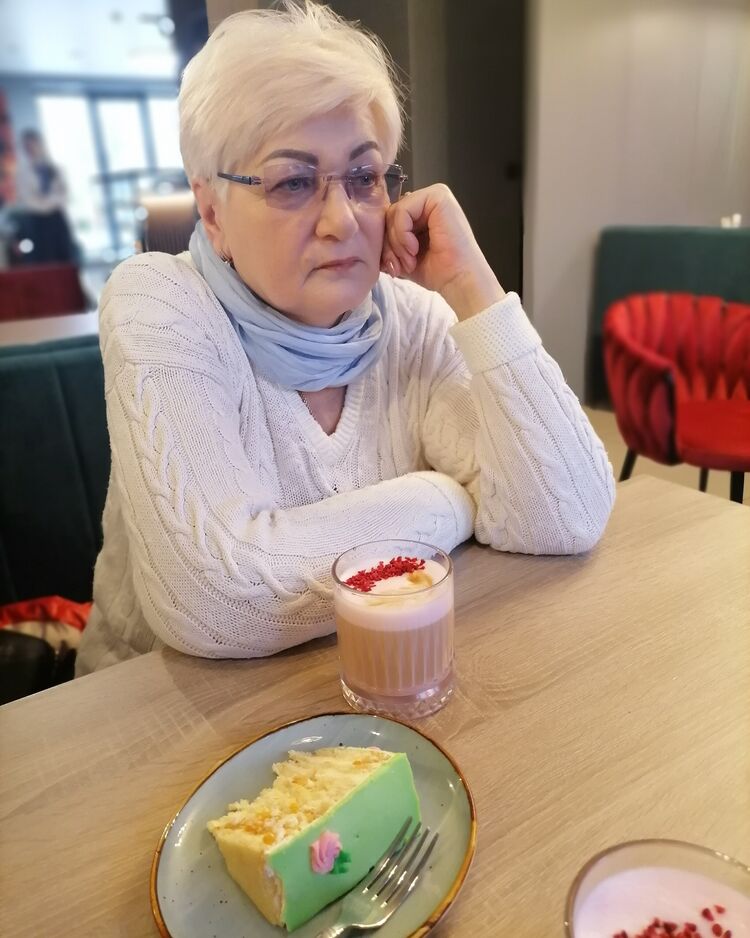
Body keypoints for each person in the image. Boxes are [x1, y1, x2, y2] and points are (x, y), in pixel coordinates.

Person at [75, 2, 615, 675]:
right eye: (293, 182)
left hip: (365, 677)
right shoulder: (161, 302)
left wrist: (474, 289)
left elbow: (568, 512)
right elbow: (216, 602)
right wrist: (448, 499)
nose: (342, 220)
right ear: (212, 211)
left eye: (363, 177)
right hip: (157, 711)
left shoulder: (413, 317)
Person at [14, 128, 78, 265]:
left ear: (41, 144)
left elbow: (64, 193)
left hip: (57, 218)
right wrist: (49, 202)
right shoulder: (22, 173)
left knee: (64, 256)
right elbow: (28, 200)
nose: (31, 149)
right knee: (44, 259)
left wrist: (48, 201)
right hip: (37, 221)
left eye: (33, 144)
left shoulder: (56, 167)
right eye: (27, 147)